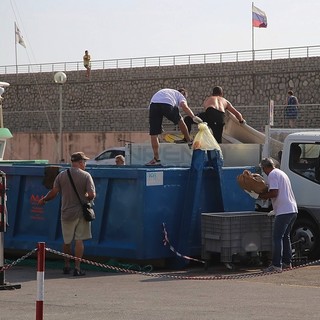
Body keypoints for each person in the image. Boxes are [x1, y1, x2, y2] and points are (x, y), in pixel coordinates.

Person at [38, 152, 96, 276]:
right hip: (81, 213)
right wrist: (85, 196)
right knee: (79, 240)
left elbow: (54, 193)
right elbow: (91, 195)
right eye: (84, 162)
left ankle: (66, 266)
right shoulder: (86, 176)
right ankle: (77, 268)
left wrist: (44, 200)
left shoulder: (61, 176)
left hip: (66, 212)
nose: (85, 164)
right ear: (80, 163)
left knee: (67, 241)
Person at [258, 158, 298, 272]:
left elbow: (274, 192)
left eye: (263, 169)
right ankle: (287, 263)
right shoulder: (281, 173)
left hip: (284, 211)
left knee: (277, 237)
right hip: (292, 209)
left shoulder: (272, 174)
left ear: (265, 168)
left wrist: (261, 196)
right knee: (286, 236)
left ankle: (276, 265)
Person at [146, 88, 202, 165]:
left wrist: (158, 125)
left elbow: (158, 109)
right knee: (180, 120)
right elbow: (184, 106)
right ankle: (188, 140)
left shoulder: (169, 92)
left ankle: (156, 159)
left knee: (154, 133)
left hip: (153, 104)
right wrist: (193, 117)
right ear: (184, 95)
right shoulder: (180, 95)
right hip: (167, 103)